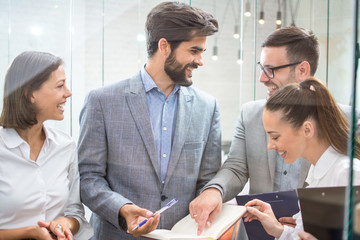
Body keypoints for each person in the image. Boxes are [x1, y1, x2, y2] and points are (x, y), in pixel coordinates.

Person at [189, 26, 359, 237]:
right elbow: (236, 167)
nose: (262, 78)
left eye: (271, 69)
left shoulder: (349, 124)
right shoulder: (251, 114)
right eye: (262, 68)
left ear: (303, 70)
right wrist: (214, 190)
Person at [77, 2, 221, 240]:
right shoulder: (102, 101)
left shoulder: (208, 107)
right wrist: (122, 209)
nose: (200, 61)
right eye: (194, 51)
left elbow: (208, 179)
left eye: (202, 52)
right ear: (164, 46)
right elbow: (88, 178)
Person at [242, 77, 360, 239]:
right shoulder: (316, 174)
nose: (270, 145)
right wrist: (277, 229)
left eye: (275, 137)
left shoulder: (348, 173)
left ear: (307, 130)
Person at [0, 51, 93, 240]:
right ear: (30, 93)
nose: (68, 93)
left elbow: (74, 212)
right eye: (60, 86)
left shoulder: (65, 146)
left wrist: (63, 224)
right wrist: (30, 232)